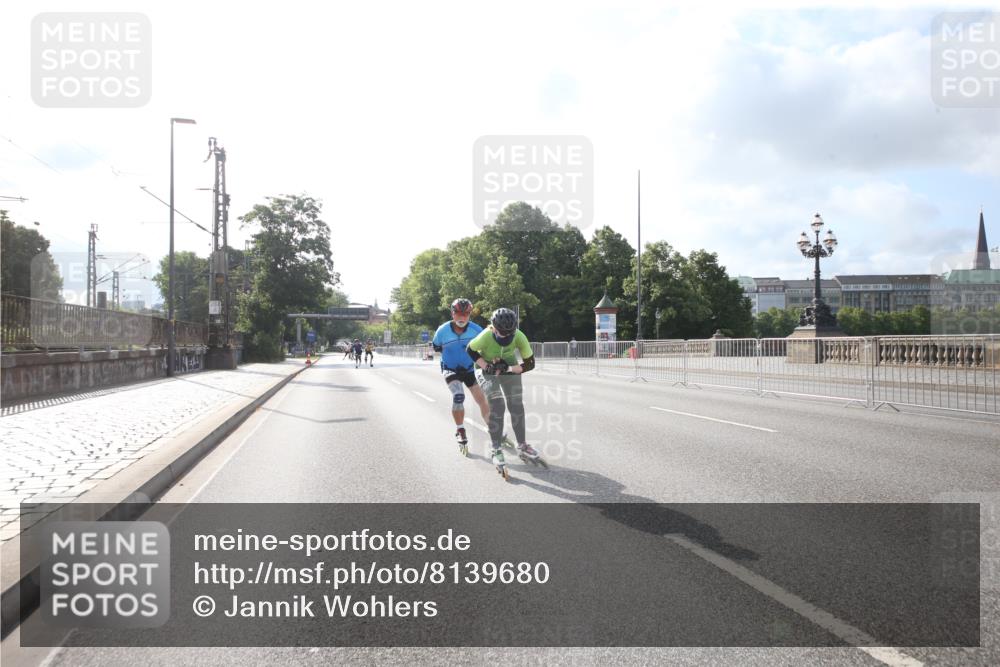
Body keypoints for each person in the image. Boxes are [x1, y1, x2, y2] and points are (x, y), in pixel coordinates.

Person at [466, 307, 538, 469]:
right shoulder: (485, 335)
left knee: (516, 405)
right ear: (493, 328)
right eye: (500, 333)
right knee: (498, 404)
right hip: (485, 368)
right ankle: (496, 447)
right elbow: (470, 349)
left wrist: (509, 369)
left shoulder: (519, 336)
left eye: (509, 334)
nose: (504, 336)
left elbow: (530, 364)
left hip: (508, 366)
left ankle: (522, 444)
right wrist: (485, 366)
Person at [432, 298, 490, 449]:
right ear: (452, 313)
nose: (462, 317)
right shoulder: (442, 331)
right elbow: (436, 347)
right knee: (458, 396)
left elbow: (486, 347)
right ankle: (460, 429)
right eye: (459, 313)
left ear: (470, 314)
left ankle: (492, 427)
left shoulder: (477, 330)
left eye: (466, 314)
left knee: (481, 399)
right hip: (450, 369)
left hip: (470, 369)